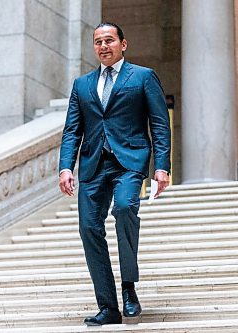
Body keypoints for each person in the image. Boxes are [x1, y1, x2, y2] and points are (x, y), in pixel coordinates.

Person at [58, 22, 171, 326]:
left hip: (129, 162)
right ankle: (108, 306)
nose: (103, 46)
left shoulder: (143, 77)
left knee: (124, 209)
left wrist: (162, 166)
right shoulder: (82, 85)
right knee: (88, 228)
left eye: (109, 40)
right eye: (98, 42)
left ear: (123, 44)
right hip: (93, 165)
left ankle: (129, 290)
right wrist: (66, 167)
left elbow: (159, 124)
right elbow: (72, 130)